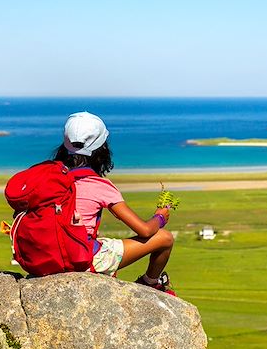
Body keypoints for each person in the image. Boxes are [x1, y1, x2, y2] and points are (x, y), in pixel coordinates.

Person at [53, 111, 176, 294]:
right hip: (80, 258)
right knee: (165, 238)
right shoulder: (99, 185)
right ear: (102, 150)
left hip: (48, 253)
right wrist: (160, 217)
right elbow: (145, 230)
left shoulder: (50, 178)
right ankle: (150, 282)